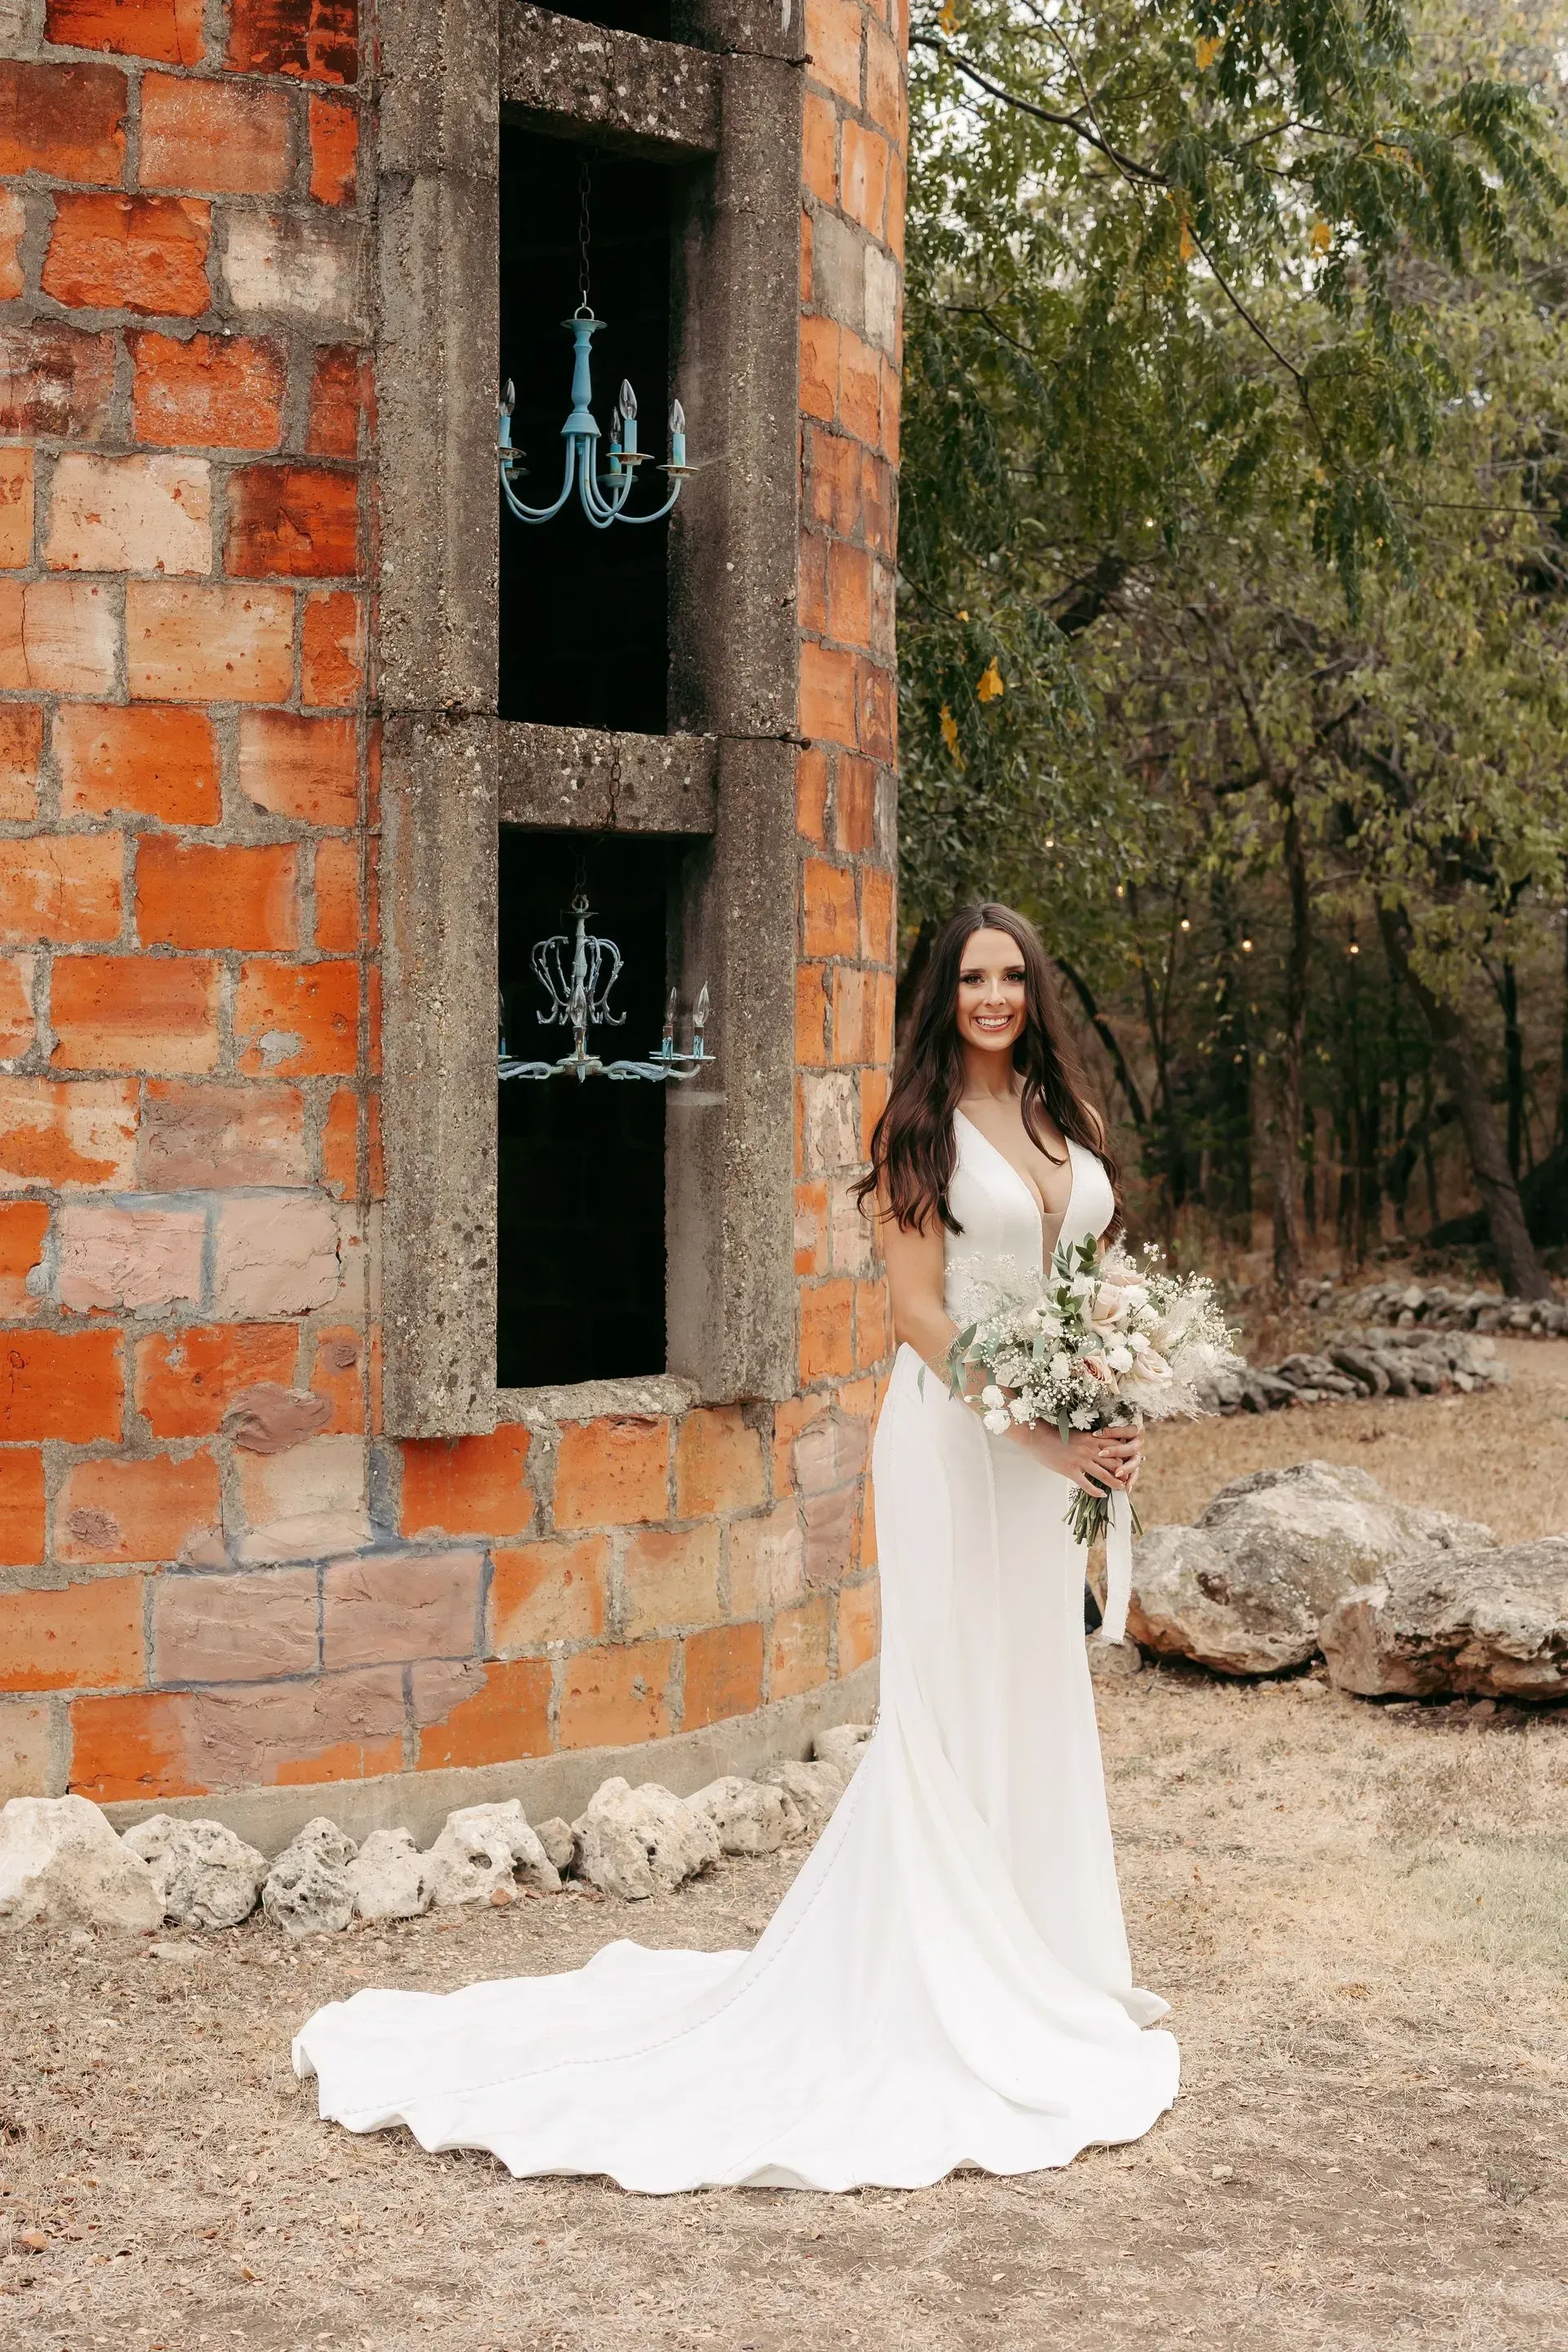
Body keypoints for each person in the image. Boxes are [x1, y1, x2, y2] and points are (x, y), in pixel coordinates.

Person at [293, 900, 1178, 2190]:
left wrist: (1114, 1401)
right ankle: (946, 1984)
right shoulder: (917, 1127)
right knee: (948, 1704)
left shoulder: (1065, 1121)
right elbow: (922, 1318)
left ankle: (1050, 1965)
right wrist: (1041, 1432)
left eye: (1013, 978)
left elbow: (1096, 1281)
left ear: (1036, 991)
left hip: (1048, 1461)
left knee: (1035, 1694)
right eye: (974, 979)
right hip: (957, 1446)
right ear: (944, 995)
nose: (995, 998)